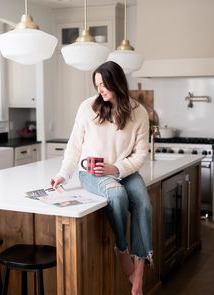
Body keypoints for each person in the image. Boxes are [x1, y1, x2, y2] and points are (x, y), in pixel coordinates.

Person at [50, 61, 153, 295]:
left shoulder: (139, 113)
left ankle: (139, 269)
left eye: (103, 84)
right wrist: (62, 174)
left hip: (123, 171)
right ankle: (122, 248)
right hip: (91, 173)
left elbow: (139, 156)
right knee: (116, 193)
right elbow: (75, 146)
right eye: (96, 85)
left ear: (116, 81)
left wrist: (115, 169)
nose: (100, 90)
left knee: (144, 205)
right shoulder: (88, 108)